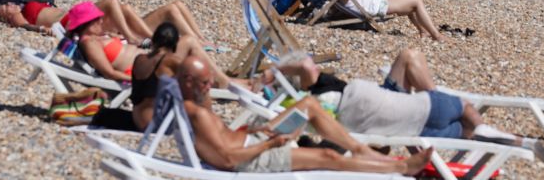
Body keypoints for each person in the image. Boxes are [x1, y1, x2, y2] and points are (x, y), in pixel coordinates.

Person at [274, 48, 544, 162]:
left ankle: (491, 134)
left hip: (412, 131)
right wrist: (269, 72)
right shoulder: (319, 89)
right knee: (464, 109)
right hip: (421, 107)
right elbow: (304, 64)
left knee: (463, 132)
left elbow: (376, 148)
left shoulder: (322, 126)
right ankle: (490, 131)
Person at [176, 56, 432, 175]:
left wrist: (257, 132)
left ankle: (359, 149)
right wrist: (269, 143)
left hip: (250, 140)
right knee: (327, 155)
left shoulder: (194, 102)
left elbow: (225, 139)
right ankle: (400, 167)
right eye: (205, 83)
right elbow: (229, 159)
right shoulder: (195, 113)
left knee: (308, 104)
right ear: (187, 81)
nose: (210, 87)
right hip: (251, 158)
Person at [63, 2, 234, 86]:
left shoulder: (99, 37)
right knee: (189, 42)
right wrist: (135, 81)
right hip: (144, 71)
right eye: (97, 20)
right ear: (87, 24)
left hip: (148, 61)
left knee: (190, 44)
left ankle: (221, 80)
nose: (101, 21)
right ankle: (221, 80)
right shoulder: (90, 43)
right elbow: (109, 72)